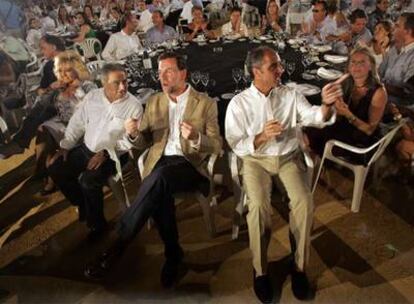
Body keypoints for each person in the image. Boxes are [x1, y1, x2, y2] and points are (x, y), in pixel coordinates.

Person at [84, 52, 222, 288]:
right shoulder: (155, 101)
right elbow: (143, 142)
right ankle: (173, 254)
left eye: (168, 71)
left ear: (183, 73)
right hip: (160, 164)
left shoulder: (205, 103)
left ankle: (118, 246)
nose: (162, 77)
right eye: (159, 72)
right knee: (159, 189)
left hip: (189, 165)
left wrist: (198, 138)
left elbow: (218, 145)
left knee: (158, 178)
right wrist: (133, 134)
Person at [225, 46, 338, 303]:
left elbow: (313, 116)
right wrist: (262, 136)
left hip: (287, 157)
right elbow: (234, 142)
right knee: (258, 207)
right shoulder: (239, 103)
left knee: (304, 201)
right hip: (255, 159)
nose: (281, 70)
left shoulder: (290, 94)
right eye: (274, 66)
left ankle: (299, 268)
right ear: (256, 72)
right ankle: (260, 270)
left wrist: (327, 106)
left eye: (279, 64)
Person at [48, 63, 143, 237]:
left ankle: (97, 225)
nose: (123, 87)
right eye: (117, 83)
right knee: (56, 167)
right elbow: (77, 121)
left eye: (125, 81)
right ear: (104, 83)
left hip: (114, 155)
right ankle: (83, 204)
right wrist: (66, 145)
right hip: (87, 149)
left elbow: (129, 142)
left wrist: (106, 153)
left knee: (87, 181)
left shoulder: (134, 106)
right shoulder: (92, 97)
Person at [306, 46, 387, 163]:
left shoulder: (379, 92)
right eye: (353, 62)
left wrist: (347, 113)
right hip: (344, 127)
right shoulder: (347, 82)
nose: (356, 66)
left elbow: (369, 130)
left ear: (370, 66)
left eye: (362, 62)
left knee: (316, 136)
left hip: (361, 139)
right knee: (310, 129)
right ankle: (315, 166)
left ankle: (321, 166)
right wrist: (333, 107)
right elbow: (336, 115)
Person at [36, 50, 96, 195]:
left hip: (85, 130)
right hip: (64, 126)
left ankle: (49, 175)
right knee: (43, 130)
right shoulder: (59, 88)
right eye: (60, 70)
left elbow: (92, 113)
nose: (63, 74)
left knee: (46, 136)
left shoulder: (88, 86)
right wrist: (50, 88)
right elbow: (40, 103)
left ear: (77, 69)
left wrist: (78, 90)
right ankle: (49, 171)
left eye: (68, 70)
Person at [0, 35, 65, 159]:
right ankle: (18, 144)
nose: (41, 51)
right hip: (56, 98)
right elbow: (45, 88)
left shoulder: (60, 63)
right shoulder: (55, 63)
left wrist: (45, 90)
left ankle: (18, 144)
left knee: (37, 113)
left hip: (65, 102)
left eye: (43, 48)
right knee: (34, 113)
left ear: (53, 47)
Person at [379, 12, 414, 105]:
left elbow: (408, 93)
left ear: (408, 31)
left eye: (397, 26)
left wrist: (379, 86)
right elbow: (380, 73)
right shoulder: (394, 48)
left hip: (399, 107)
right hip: (380, 98)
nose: (393, 28)